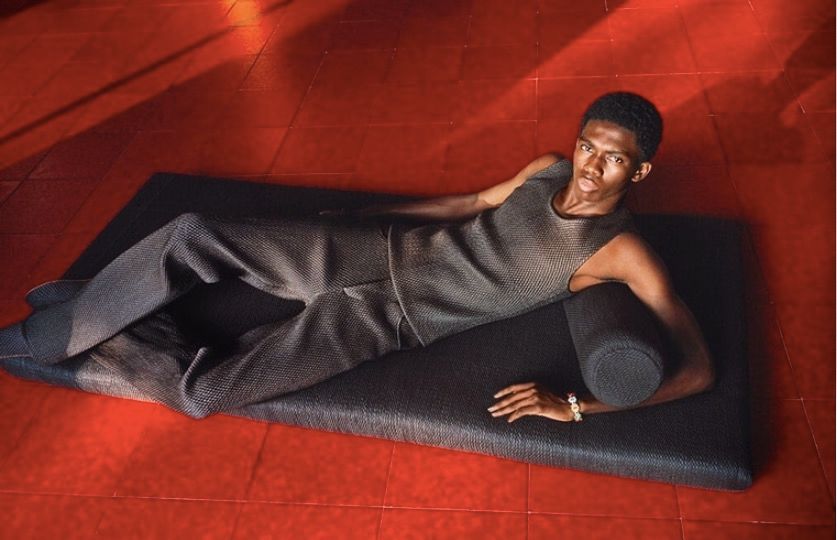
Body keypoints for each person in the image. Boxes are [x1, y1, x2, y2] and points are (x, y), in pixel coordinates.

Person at [0, 92, 714, 422]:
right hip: (369, 251)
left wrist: (576, 405)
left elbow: (698, 369)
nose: (589, 167)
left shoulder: (621, 251)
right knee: (193, 232)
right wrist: (355, 220)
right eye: (588, 146)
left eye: (612, 159)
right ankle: (51, 331)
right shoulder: (546, 169)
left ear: (639, 171)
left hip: (391, 319)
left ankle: (119, 318)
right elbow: (467, 203)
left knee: (201, 396)